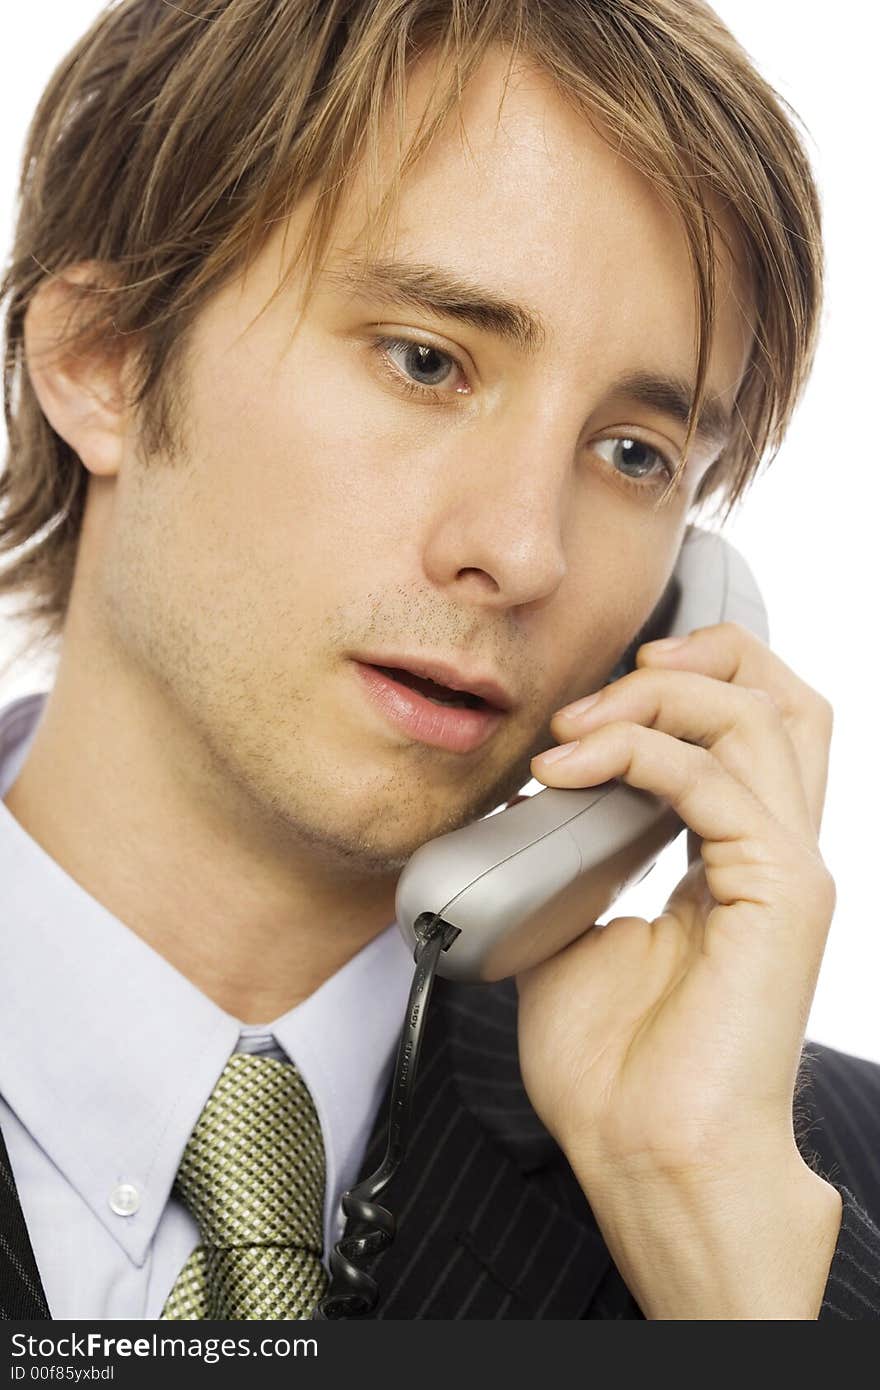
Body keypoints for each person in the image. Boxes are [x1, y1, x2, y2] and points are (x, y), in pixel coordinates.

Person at [0, 0, 878, 1322]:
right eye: (427, 361)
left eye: (636, 453)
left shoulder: (786, 1196)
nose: (524, 552)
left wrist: (715, 1245)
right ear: (103, 360)